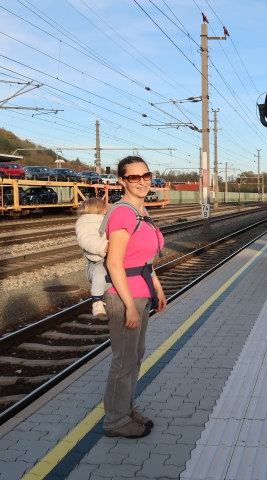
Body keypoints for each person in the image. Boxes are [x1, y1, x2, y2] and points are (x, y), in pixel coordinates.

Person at [102, 156, 167, 439]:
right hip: (124, 297)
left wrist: (158, 287)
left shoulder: (142, 212)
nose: (141, 181)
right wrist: (129, 306)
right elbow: (115, 263)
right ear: (122, 181)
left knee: (134, 357)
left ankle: (126, 409)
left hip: (142, 294)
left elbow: (144, 259)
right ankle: (114, 421)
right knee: (123, 359)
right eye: (133, 177)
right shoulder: (123, 213)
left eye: (145, 175)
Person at [75, 197, 109, 317]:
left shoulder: (100, 219)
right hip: (97, 258)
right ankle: (97, 301)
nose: (107, 209)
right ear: (100, 209)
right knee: (100, 273)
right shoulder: (86, 221)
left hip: (107, 256)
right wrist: (103, 246)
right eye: (105, 207)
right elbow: (86, 240)